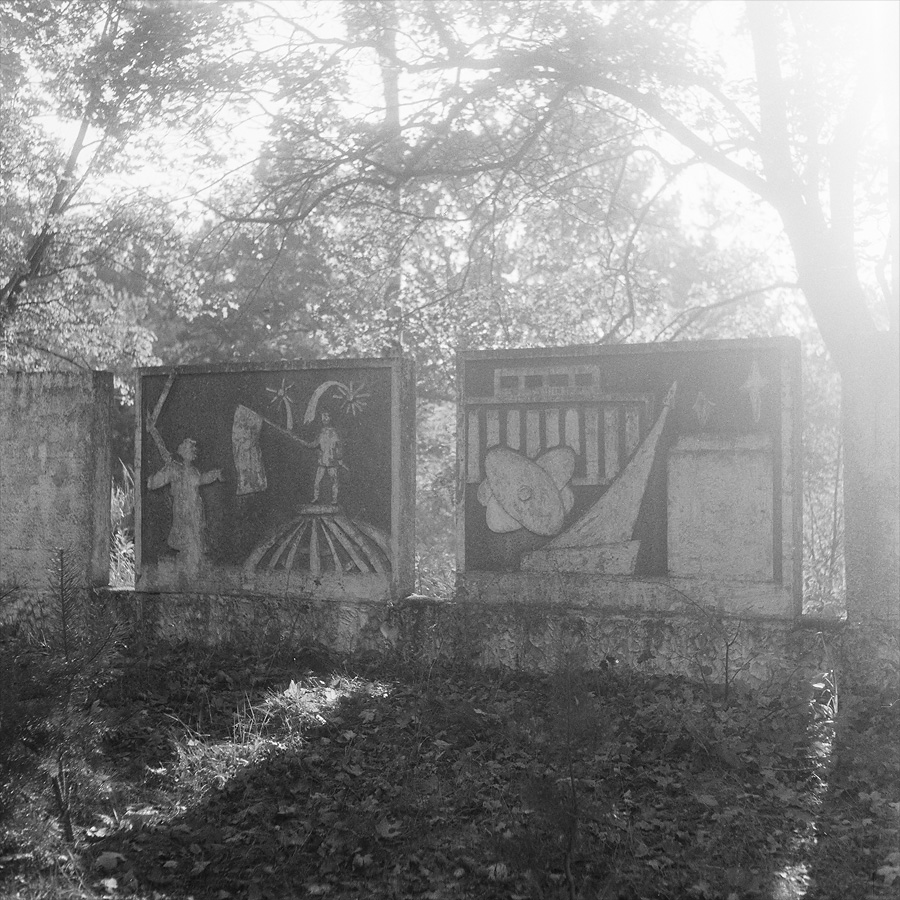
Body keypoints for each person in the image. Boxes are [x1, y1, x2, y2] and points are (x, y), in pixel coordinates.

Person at [148, 434, 224, 575]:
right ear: (183, 452)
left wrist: (215, 475)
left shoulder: (194, 470)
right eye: (190, 450)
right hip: (183, 507)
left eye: (194, 451)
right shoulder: (174, 469)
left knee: (196, 532)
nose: (193, 453)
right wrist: (150, 480)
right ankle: (188, 563)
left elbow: (200, 480)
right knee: (185, 532)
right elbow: (156, 482)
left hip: (195, 507)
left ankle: (196, 561)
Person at [298, 410, 345, 504]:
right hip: (322, 461)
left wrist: (339, 458)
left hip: (332, 461)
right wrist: (304, 443)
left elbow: (339, 447)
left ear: (330, 418)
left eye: (326, 416)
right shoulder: (321, 432)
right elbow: (314, 444)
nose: (324, 419)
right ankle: (316, 498)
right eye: (323, 417)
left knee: (334, 481)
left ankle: (334, 500)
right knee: (317, 481)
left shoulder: (335, 432)